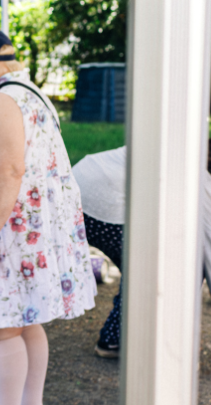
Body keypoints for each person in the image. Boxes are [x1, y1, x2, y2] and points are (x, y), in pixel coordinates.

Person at [0, 25, 95, 405]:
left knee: (1, 326)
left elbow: (11, 170)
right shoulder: (30, 92)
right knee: (26, 319)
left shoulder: (1, 100)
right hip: (31, 230)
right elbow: (20, 155)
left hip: (8, 232)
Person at [71, 146, 126, 359]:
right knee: (143, 269)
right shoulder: (189, 164)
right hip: (97, 199)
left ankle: (115, 336)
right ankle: (113, 339)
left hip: (81, 183)